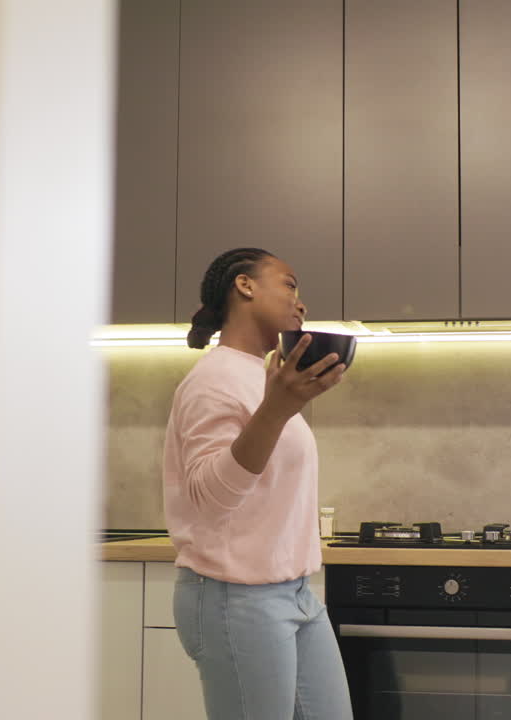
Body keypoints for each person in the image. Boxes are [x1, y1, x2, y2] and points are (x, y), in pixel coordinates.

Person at [162, 247, 352, 719]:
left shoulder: (264, 377)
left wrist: (281, 403)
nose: (301, 302)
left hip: (293, 593)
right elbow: (210, 500)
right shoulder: (212, 379)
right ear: (245, 286)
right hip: (234, 598)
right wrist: (276, 409)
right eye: (289, 284)